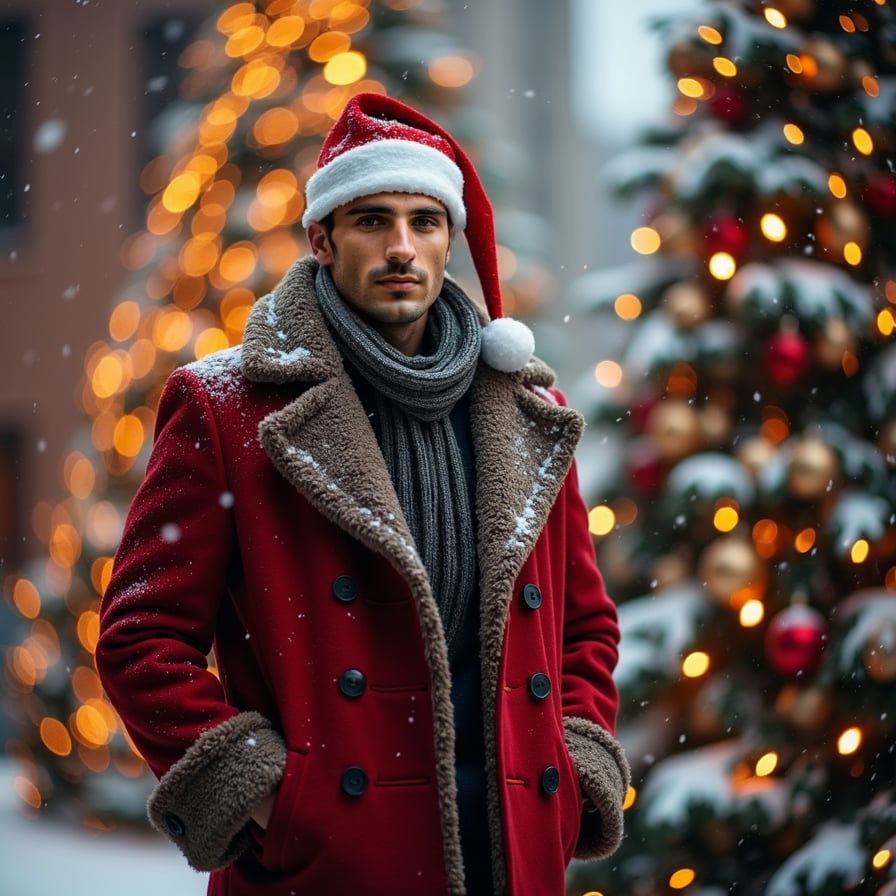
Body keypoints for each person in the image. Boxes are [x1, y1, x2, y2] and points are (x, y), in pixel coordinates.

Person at [96, 92, 629, 896]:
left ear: (450, 242)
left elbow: (583, 627)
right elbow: (141, 637)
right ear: (322, 238)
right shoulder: (230, 410)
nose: (402, 247)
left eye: (424, 222)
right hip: (332, 860)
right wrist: (270, 794)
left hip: (512, 856)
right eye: (372, 221)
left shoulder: (528, 411)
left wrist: (576, 760)